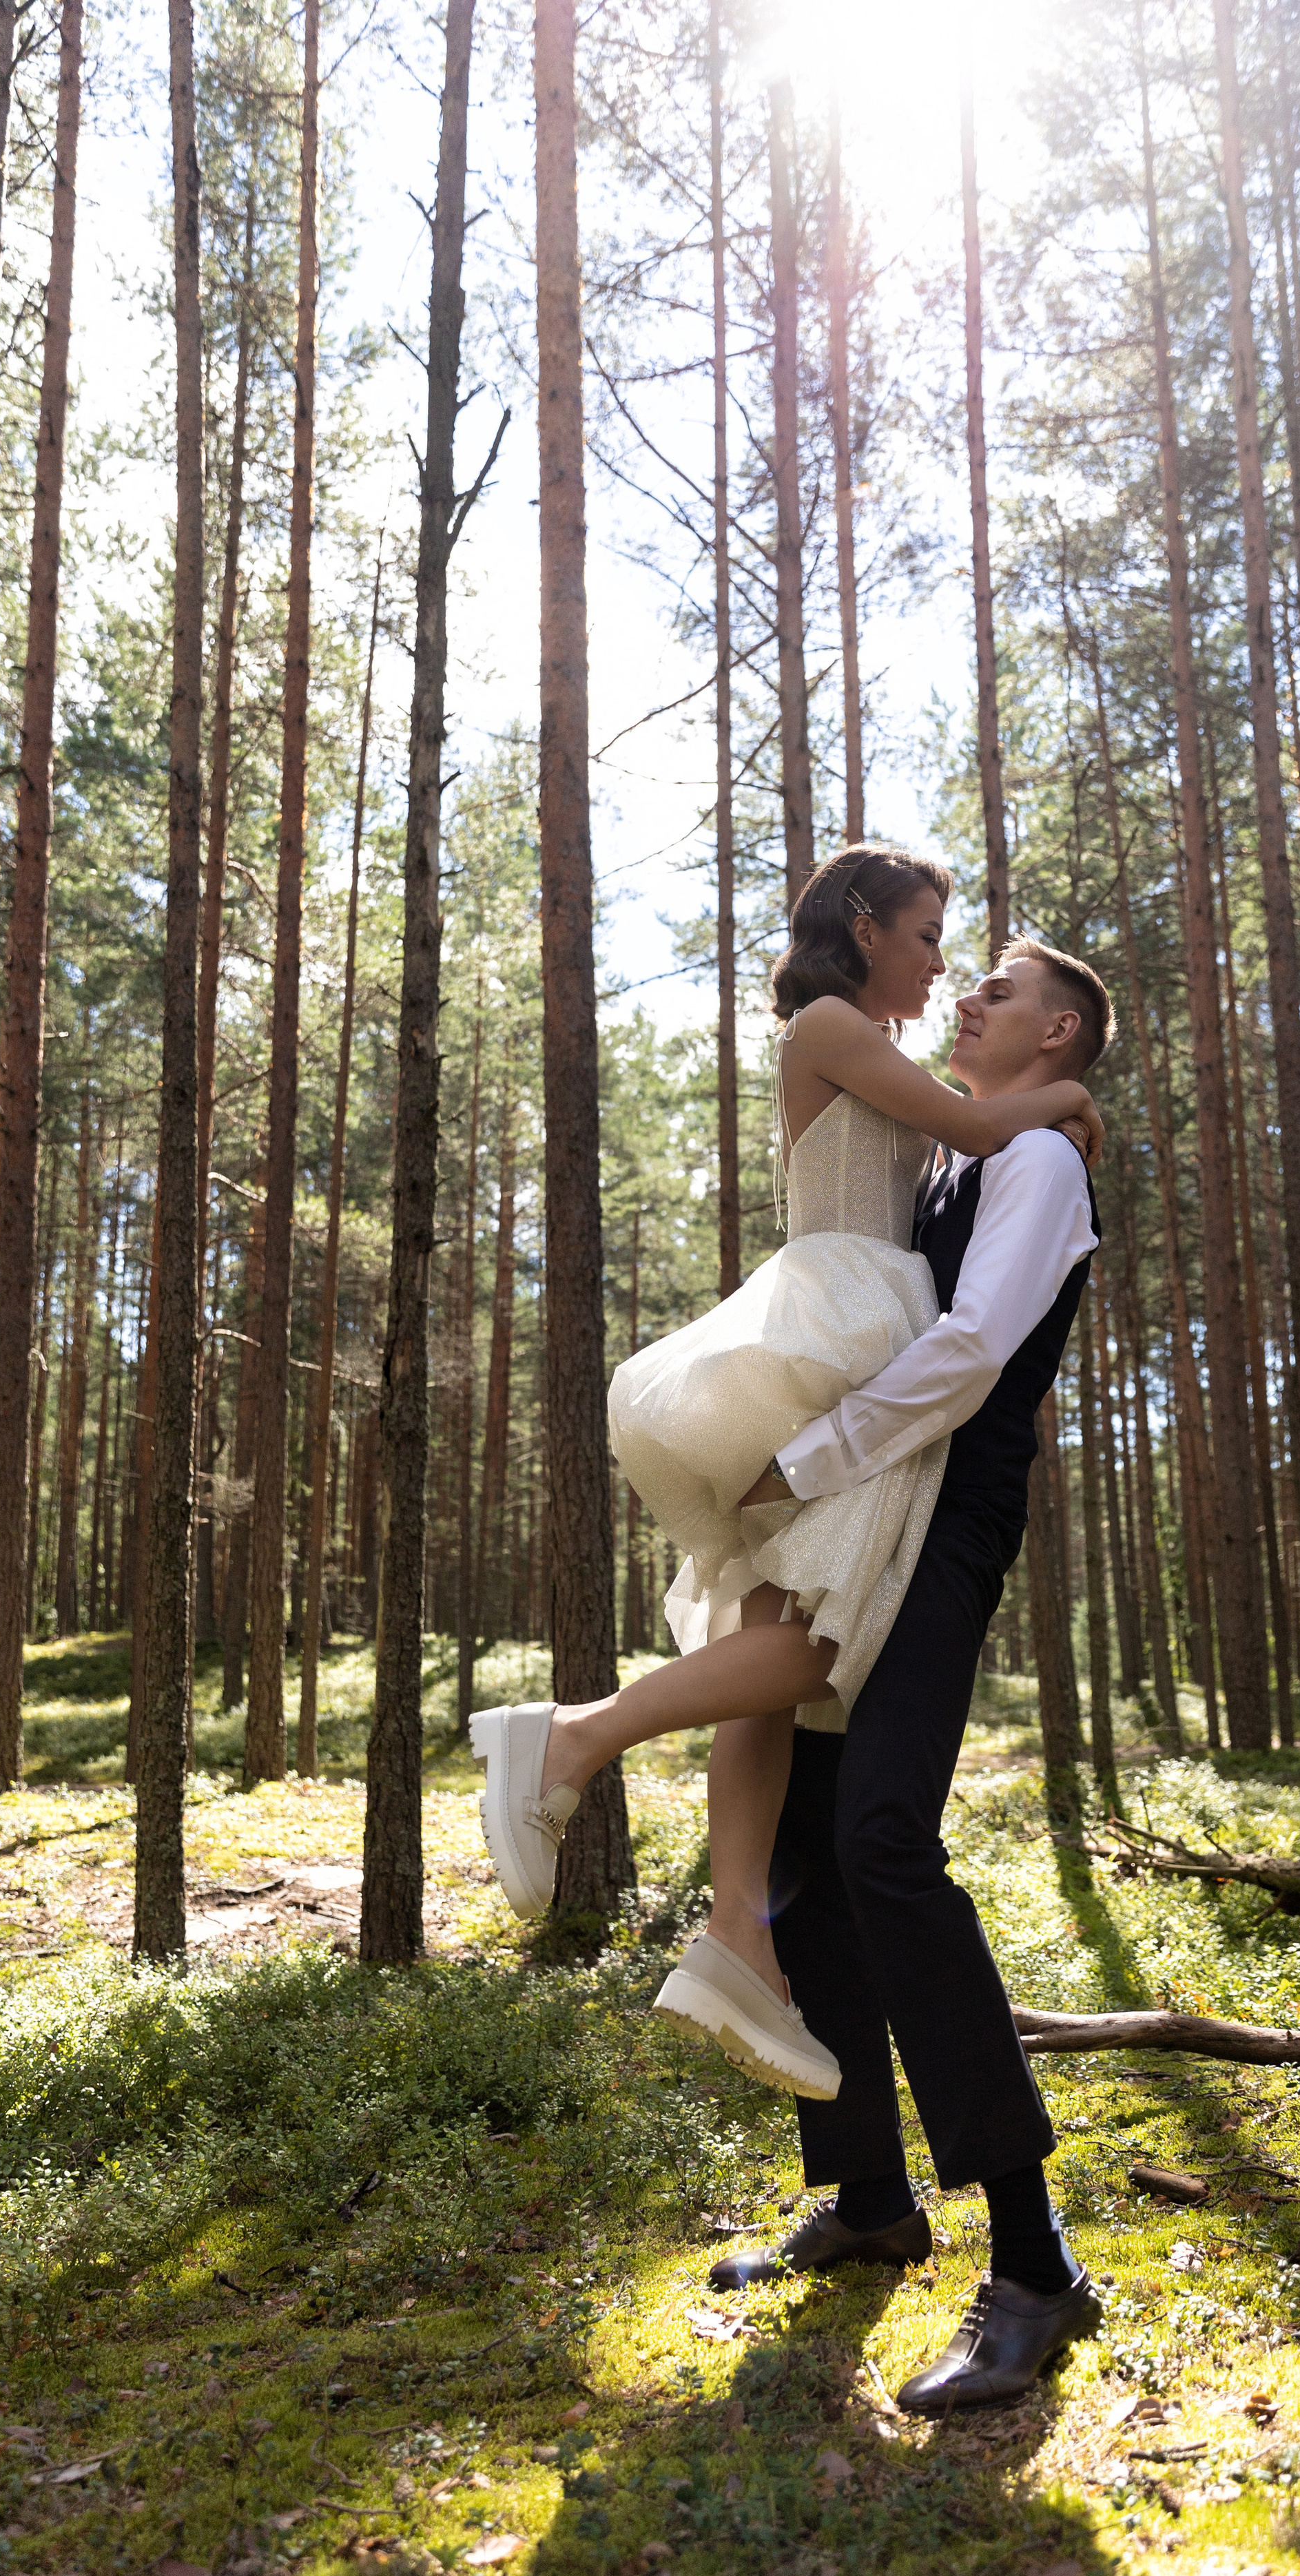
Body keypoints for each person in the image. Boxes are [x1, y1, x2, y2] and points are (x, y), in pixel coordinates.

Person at [469, 844, 1103, 2112]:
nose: (945, 972)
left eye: (971, 963)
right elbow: (978, 1128)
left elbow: (977, 1206)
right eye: (929, 939)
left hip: (863, 1338)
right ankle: (572, 1739)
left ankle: (737, 1938)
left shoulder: (910, 1077)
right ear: (865, 930)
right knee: (809, 1642)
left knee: (778, 1637)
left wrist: (1048, 1108)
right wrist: (1070, 1097)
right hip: (841, 1330)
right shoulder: (838, 1032)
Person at [704, 931, 1117, 2418]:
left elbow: (972, 1349)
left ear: (1056, 1034)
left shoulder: (1039, 1165)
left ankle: (1035, 2263)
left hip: (946, 1519)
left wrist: (805, 1460)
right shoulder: (958, 1152)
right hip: (877, 1512)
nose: (969, 996)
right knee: (815, 1845)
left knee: (884, 1841)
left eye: (1000, 989)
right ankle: (871, 2198)